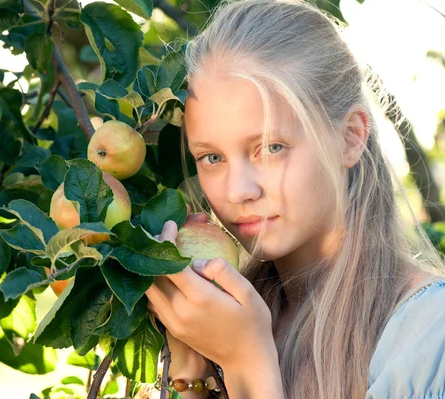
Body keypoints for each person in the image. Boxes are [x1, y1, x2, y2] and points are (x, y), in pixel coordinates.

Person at [144, 0, 445, 398]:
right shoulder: (228, 316)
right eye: (212, 158)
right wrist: (191, 362)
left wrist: (246, 362)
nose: (238, 191)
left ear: (350, 137)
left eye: (270, 147)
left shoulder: (428, 339)